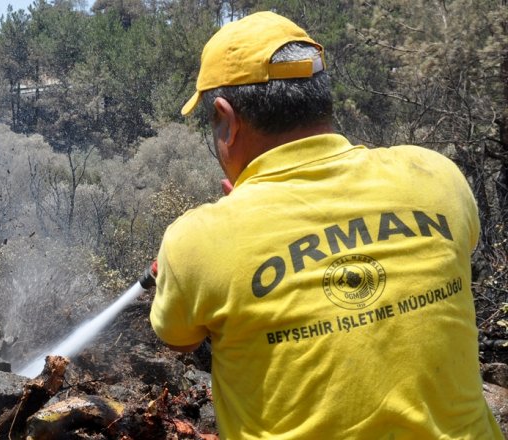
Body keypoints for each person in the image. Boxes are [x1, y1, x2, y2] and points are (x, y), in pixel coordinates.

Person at [149, 11, 503, 439]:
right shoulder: (437, 176)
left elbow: (180, 339)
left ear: (226, 118)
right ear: (321, 97)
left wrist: (223, 240)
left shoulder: (197, 240)